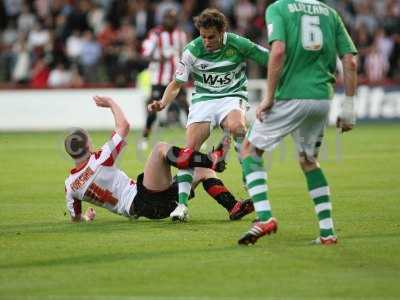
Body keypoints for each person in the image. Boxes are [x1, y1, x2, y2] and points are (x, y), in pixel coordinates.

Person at [237, 0, 358, 245]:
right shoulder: (330, 13)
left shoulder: (279, 8)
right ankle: (327, 232)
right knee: (309, 160)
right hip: (322, 99)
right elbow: (351, 61)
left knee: (250, 149)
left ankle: (264, 217)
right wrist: (349, 107)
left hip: (291, 95)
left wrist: (269, 97)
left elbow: (278, 50)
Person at [148, 8, 269, 221]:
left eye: (211, 36)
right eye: (203, 36)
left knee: (237, 127)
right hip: (204, 100)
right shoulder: (192, 50)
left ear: (222, 31)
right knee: (189, 150)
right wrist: (163, 102)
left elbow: (269, 58)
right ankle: (181, 206)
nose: (206, 41)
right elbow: (176, 84)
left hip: (232, 95)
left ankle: (247, 175)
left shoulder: (238, 44)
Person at [64, 96, 254, 222]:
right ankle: (211, 158)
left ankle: (233, 207)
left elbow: (75, 218)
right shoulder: (99, 159)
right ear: (88, 146)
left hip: (149, 206)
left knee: (203, 173)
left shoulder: (71, 185)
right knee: (160, 149)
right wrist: (111, 103)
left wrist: (87, 218)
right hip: (142, 199)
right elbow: (124, 126)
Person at [140, 9, 189, 149]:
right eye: (168, 18)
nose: (170, 21)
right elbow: (145, 53)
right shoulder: (155, 34)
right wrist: (157, 58)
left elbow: (185, 54)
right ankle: (145, 137)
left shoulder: (181, 34)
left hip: (176, 78)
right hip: (159, 79)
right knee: (154, 107)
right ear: (163, 19)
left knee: (186, 106)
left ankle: (194, 136)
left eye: (173, 18)